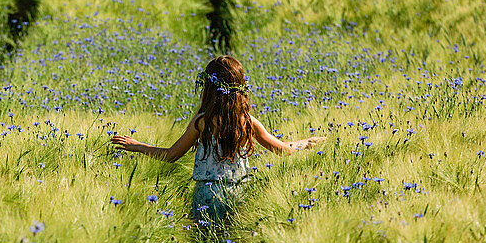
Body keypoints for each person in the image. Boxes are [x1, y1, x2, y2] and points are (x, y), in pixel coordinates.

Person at [110, 55, 326, 223]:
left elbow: (171, 155)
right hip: (238, 193)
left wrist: (136, 146)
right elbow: (283, 149)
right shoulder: (249, 123)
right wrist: (305, 143)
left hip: (206, 195)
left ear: (209, 87)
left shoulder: (202, 122)